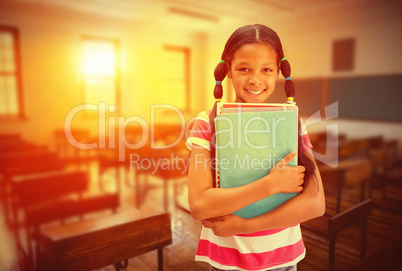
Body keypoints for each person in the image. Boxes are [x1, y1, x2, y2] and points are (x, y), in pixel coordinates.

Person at [186, 24, 325, 271]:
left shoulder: (293, 122)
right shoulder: (207, 122)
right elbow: (199, 206)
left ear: (278, 73)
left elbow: (315, 204)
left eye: (266, 69)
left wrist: (244, 225)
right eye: (244, 69)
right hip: (226, 262)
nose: (255, 79)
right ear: (228, 70)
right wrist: (271, 185)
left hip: (284, 260)